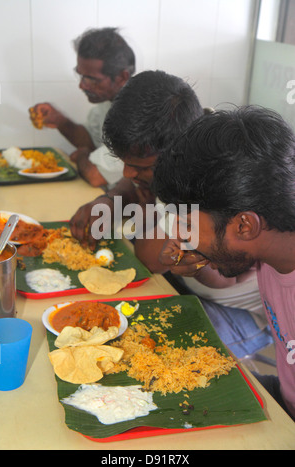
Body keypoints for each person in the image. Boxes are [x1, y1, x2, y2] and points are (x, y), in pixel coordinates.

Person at [69, 70, 271, 360]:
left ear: (175, 156)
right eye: (126, 163)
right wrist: (112, 198)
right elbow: (133, 184)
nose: (127, 172)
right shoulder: (180, 139)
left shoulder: (214, 177)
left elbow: (148, 256)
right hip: (187, 286)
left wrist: (144, 206)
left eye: (140, 167)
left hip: (242, 314)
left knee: (140, 354)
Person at [153, 105, 295, 420]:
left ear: (244, 225)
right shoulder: (272, 247)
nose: (178, 233)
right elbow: (230, 276)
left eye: (187, 221)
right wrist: (205, 257)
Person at [29, 27, 135, 188]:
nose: (81, 85)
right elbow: (90, 141)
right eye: (81, 75)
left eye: (92, 79)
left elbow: (95, 175)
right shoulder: (108, 102)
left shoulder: (136, 116)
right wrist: (60, 121)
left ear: (121, 77)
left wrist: (82, 155)